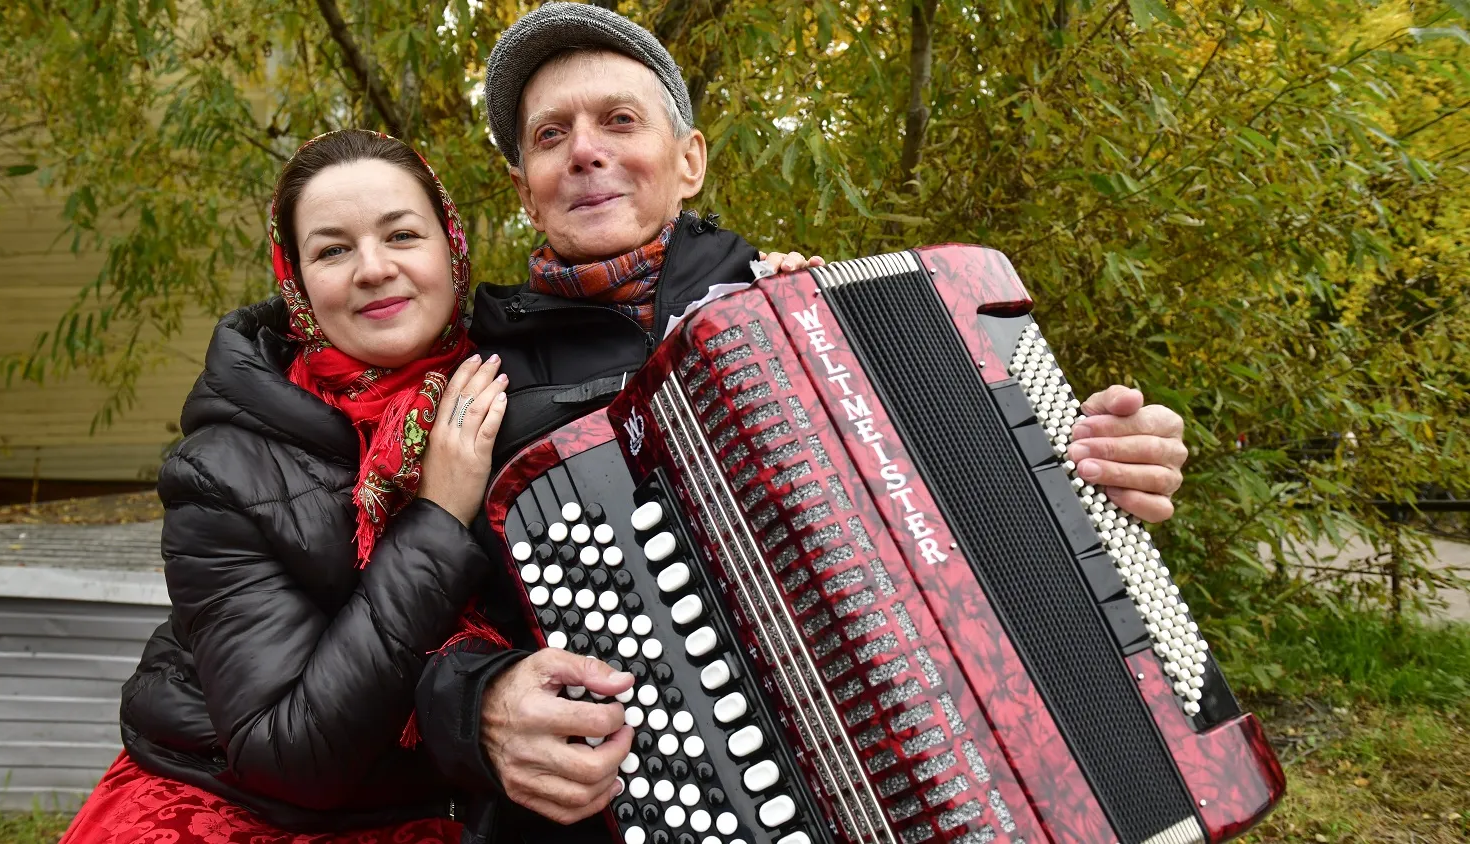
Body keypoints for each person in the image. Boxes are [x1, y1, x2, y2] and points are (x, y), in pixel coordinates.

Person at [411, 3, 1192, 840]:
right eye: (550, 136)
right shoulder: (466, 381)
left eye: (620, 120)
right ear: (526, 193)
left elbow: (992, 514)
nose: (586, 150)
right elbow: (399, 628)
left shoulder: (819, 312)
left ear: (690, 161)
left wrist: (1094, 470)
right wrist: (478, 708)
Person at [59, 129, 521, 842]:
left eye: (401, 234)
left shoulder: (504, 382)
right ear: (297, 282)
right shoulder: (220, 472)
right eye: (333, 250)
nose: (373, 268)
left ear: (451, 250)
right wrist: (436, 516)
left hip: (450, 805)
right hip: (247, 811)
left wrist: (754, 283)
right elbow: (290, 752)